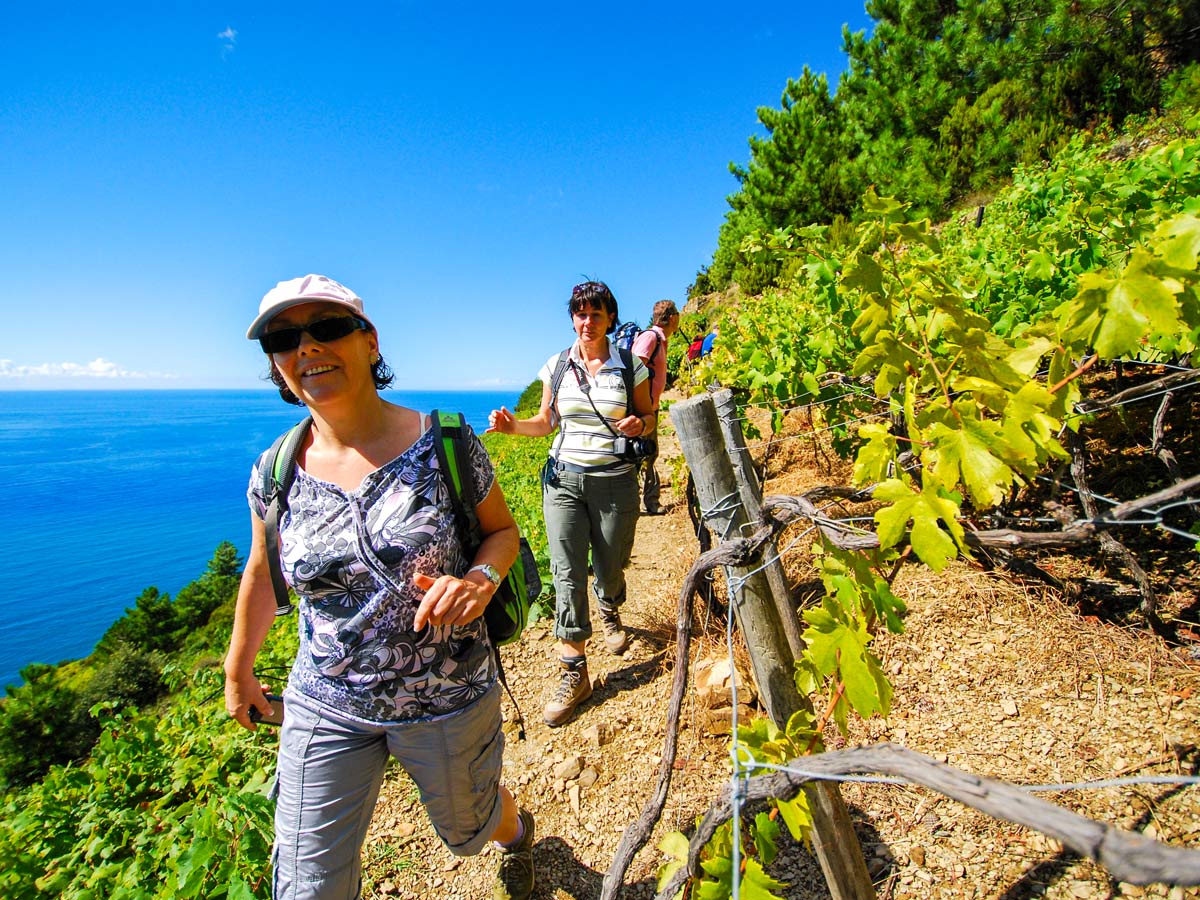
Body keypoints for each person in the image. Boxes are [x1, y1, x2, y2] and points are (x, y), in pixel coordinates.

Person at [223, 274, 536, 900]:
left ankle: (513, 826)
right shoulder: (274, 470)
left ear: (369, 342)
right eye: (285, 338)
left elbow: (502, 533)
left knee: (468, 831)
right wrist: (238, 670)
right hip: (324, 696)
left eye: (328, 327)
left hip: (446, 693)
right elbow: (262, 571)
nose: (306, 347)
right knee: (306, 885)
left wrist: (478, 579)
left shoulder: (443, 441)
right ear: (277, 366)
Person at [487, 280, 655, 727]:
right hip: (562, 480)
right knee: (566, 573)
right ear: (573, 319)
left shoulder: (630, 365)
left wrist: (641, 424)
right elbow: (545, 422)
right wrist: (512, 427)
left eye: (596, 314)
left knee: (611, 562)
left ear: (609, 318)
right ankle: (574, 670)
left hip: (615, 481)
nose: (587, 321)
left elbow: (650, 415)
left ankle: (610, 605)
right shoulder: (557, 365)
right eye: (580, 314)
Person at [630, 300, 680, 515]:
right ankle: (646, 502)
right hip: (642, 409)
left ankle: (644, 500)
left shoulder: (659, 339)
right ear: (672, 318)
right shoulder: (651, 337)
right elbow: (634, 367)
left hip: (650, 407)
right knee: (644, 454)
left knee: (648, 454)